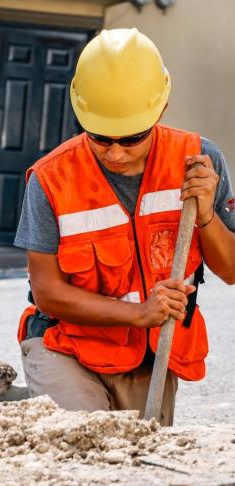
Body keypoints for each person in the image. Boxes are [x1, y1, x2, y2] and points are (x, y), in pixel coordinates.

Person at [14, 28, 235, 421]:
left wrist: (206, 216)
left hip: (152, 353)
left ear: (161, 109)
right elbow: (47, 292)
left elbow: (231, 270)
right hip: (66, 346)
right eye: (100, 137)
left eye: (132, 138)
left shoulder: (200, 161)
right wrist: (138, 313)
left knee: (139, 461)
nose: (115, 152)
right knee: (85, 443)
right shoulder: (51, 178)